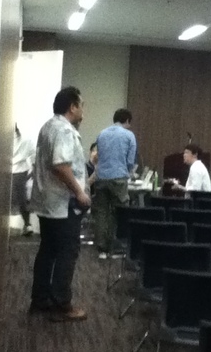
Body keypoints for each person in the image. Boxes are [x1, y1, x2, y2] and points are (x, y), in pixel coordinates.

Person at [29, 86, 91, 322]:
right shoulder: (65, 131)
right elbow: (60, 165)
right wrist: (80, 192)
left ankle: (40, 299)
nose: (83, 110)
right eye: (81, 105)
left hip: (48, 202)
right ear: (72, 107)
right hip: (63, 205)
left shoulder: (48, 126)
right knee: (67, 252)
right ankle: (62, 304)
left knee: (47, 251)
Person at [94, 108, 137, 259]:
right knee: (120, 212)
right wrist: (129, 172)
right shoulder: (129, 135)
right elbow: (130, 161)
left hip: (101, 177)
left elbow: (98, 156)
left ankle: (102, 249)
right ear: (127, 120)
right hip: (119, 178)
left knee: (102, 212)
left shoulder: (102, 133)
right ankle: (116, 248)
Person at [12, 124, 35, 236]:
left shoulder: (4, 139)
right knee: (22, 198)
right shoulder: (26, 140)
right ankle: (27, 224)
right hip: (21, 171)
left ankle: (26, 224)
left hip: (9, 169)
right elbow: (33, 154)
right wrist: (34, 169)